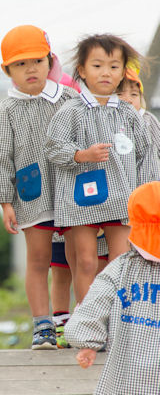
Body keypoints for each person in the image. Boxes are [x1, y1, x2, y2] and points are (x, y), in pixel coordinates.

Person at [45, 34, 159, 304]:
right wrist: (81, 155)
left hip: (122, 201)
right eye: (97, 66)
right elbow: (52, 148)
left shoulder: (130, 114)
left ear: (122, 72)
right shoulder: (70, 111)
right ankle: (88, 324)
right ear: (82, 70)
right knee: (84, 263)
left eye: (113, 66)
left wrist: (145, 199)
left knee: (120, 264)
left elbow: (146, 157)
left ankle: (116, 324)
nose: (106, 73)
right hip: (80, 201)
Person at [0, 25, 78, 349]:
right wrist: (4, 200)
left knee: (76, 260)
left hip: (72, 193)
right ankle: (43, 326)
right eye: (20, 64)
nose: (30, 69)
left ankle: (78, 322)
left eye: (36, 61)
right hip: (32, 194)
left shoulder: (70, 99)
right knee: (38, 260)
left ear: (49, 60)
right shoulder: (7, 109)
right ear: (7, 70)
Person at [65, 181, 160, 394]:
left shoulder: (121, 267)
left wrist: (87, 341)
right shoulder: (119, 267)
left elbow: (95, 302)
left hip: (127, 378)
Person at [117, 60, 160, 162]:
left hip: (147, 172)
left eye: (134, 94)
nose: (128, 99)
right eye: (119, 94)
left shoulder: (148, 119)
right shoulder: (103, 120)